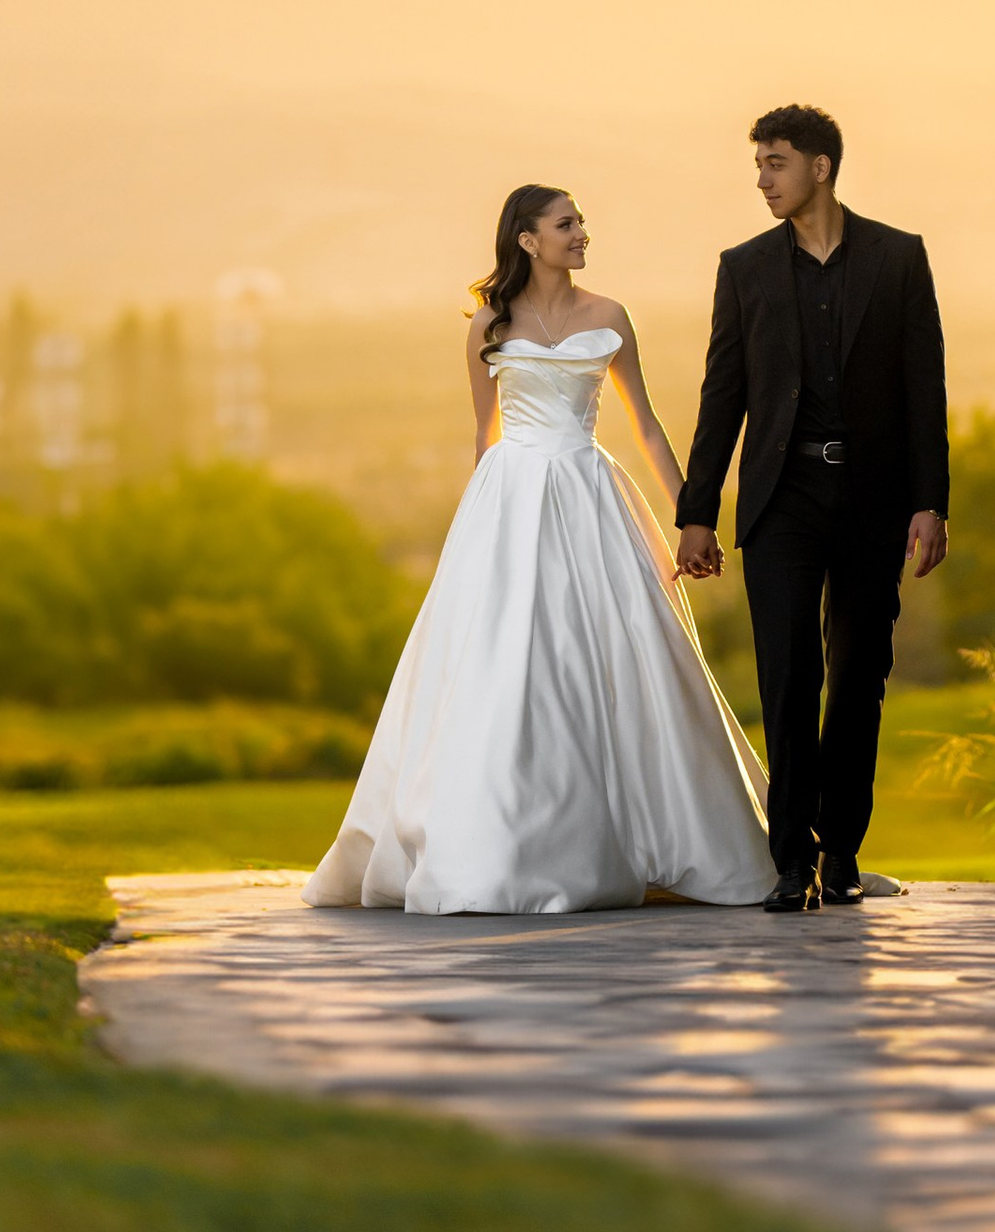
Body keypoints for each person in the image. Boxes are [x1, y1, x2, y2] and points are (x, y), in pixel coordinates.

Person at [307, 184, 772, 916]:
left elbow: (647, 425)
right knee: (506, 658)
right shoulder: (488, 324)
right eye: (566, 223)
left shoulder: (609, 315)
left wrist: (694, 517)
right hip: (512, 499)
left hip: (590, 493)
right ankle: (499, 844)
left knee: (613, 654)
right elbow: (483, 432)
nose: (582, 232)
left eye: (580, 221)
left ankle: (642, 833)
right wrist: (480, 529)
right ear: (528, 239)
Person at [675, 106, 948, 912]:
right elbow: (722, 394)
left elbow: (924, 389)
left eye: (776, 163)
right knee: (788, 675)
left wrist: (930, 502)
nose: (762, 179)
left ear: (820, 168)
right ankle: (790, 859)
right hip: (781, 498)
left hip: (872, 498)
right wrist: (698, 511)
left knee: (859, 676)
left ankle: (842, 851)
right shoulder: (744, 268)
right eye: (759, 164)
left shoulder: (899, 257)